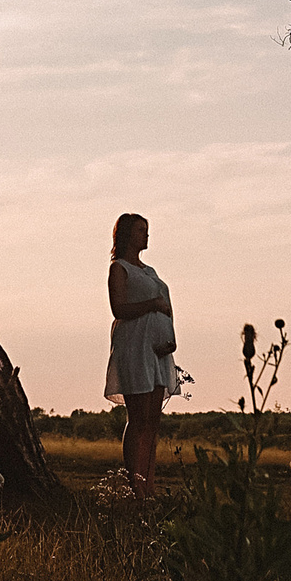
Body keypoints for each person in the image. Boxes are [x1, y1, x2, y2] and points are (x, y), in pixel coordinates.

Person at [105, 211, 177, 494]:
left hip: (158, 350)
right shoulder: (119, 268)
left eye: (146, 230)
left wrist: (170, 337)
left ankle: (148, 486)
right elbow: (119, 309)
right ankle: (134, 486)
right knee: (138, 419)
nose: (146, 235)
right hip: (135, 347)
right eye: (139, 230)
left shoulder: (150, 271)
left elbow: (165, 306)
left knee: (153, 422)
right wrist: (152, 305)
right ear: (125, 235)